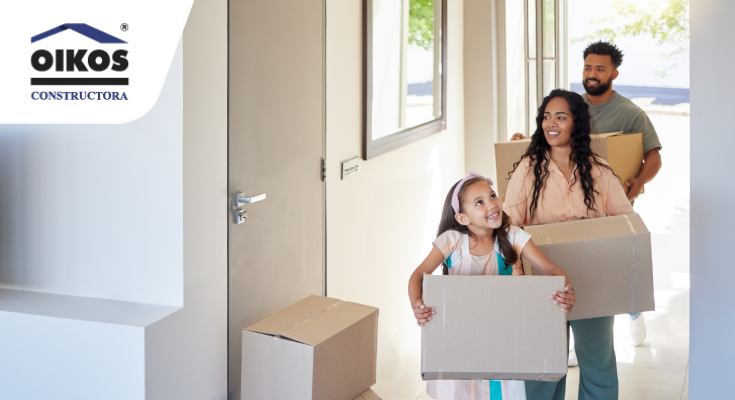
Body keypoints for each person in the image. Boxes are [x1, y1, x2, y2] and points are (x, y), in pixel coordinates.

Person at [505, 89, 634, 400]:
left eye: (561, 117)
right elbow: (509, 229)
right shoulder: (527, 170)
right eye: (546, 117)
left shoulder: (599, 170)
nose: (552, 123)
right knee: (542, 367)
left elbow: (626, 222)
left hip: (592, 279)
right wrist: (518, 275)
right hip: (541, 280)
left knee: (598, 364)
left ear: (577, 123)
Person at [408, 172, 576, 400]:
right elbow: (418, 275)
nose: (492, 204)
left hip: (501, 335)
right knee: (463, 391)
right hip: (461, 336)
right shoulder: (452, 241)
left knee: (499, 391)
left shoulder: (513, 236)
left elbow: (552, 270)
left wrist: (565, 291)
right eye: (479, 202)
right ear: (462, 218)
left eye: (492, 196)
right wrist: (417, 305)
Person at [582, 41, 662, 347]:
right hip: (576, 206)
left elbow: (653, 156)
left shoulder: (630, 113)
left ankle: (633, 310)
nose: (592, 74)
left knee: (620, 268)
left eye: (600, 69)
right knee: (583, 271)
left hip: (615, 205)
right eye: (588, 67)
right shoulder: (571, 108)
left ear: (613, 73)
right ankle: (581, 339)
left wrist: (639, 182)